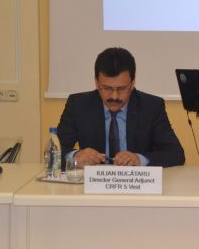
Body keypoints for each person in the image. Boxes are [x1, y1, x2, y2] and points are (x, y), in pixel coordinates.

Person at [57, 47, 185, 168]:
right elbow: (55, 150)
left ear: (132, 83)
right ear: (96, 83)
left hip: (135, 182)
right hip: (92, 181)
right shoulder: (78, 105)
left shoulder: (151, 107)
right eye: (107, 88)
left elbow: (176, 153)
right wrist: (75, 156)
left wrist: (139, 159)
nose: (114, 96)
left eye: (122, 88)